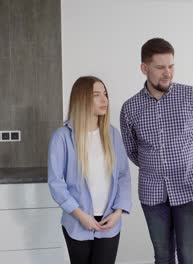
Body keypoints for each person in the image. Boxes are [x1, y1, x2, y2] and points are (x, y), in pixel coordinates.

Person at [120, 38, 193, 264]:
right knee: (162, 256)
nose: (167, 73)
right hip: (152, 194)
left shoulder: (191, 96)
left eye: (171, 66)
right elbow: (132, 150)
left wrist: (189, 166)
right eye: (160, 67)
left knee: (189, 256)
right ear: (144, 68)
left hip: (190, 189)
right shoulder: (130, 108)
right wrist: (156, 167)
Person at [48, 76, 132, 264]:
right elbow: (56, 182)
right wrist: (80, 215)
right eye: (96, 95)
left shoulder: (112, 134)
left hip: (110, 220)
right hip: (77, 221)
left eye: (105, 94)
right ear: (82, 98)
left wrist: (118, 212)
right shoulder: (62, 137)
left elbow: (123, 176)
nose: (105, 100)